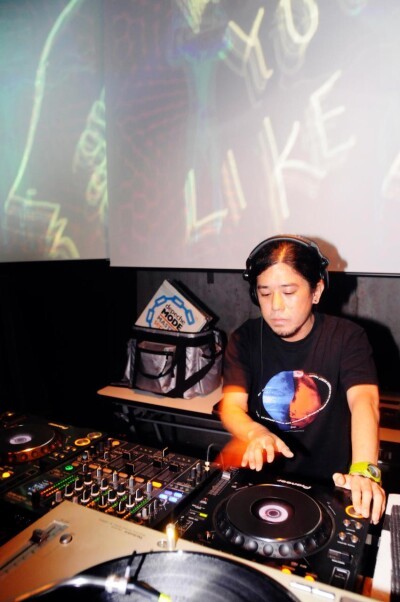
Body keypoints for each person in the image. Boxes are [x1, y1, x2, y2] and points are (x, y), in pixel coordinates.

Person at [220, 235, 386, 524]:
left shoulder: (347, 338)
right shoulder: (245, 338)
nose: (275, 306)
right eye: (265, 293)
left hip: (330, 486)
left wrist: (364, 470)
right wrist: (255, 433)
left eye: (288, 291)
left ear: (316, 290)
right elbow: (231, 406)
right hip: (261, 483)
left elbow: (365, 402)